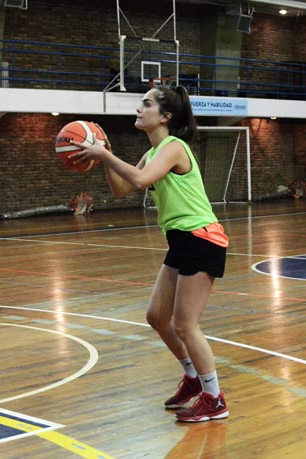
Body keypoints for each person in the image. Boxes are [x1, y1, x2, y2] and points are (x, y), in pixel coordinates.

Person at [70, 86, 229, 422]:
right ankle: (192, 379)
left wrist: (105, 155)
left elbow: (141, 181)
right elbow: (122, 189)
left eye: (146, 103)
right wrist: (106, 158)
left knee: (186, 326)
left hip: (201, 238)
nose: (139, 108)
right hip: (181, 240)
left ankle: (214, 399)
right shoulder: (154, 151)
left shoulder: (173, 147)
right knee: (157, 317)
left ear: (166, 116)